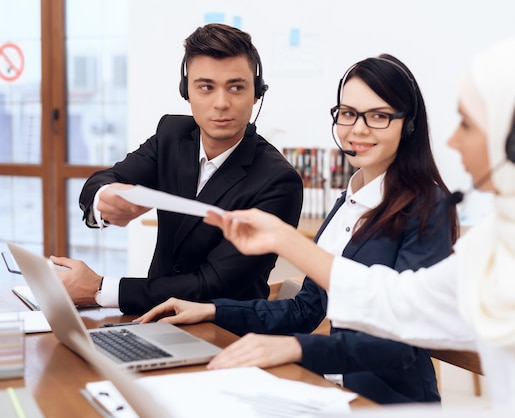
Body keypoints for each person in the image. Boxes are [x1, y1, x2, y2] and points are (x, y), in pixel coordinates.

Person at [200, 33, 515, 417]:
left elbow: (398, 330)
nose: (454, 141)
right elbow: (397, 302)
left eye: (466, 123)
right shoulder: (500, 248)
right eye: (347, 113)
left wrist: (289, 253)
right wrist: (231, 296)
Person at [137, 54, 459, 405]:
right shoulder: (350, 199)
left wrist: (293, 347)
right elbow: (306, 309)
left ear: (408, 124)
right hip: (326, 394)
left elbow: (401, 344)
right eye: (348, 114)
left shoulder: (428, 207)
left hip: (388, 402)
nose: (358, 129)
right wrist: (212, 310)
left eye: (379, 116)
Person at [52, 23, 303, 314]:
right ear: (186, 92)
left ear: (256, 93)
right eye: (206, 87)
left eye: (236, 87)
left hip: (224, 333)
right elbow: (102, 181)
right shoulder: (172, 134)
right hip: (151, 319)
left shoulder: (279, 181)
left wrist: (100, 288)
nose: (221, 103)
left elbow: (215, 284)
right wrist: (104, 197)